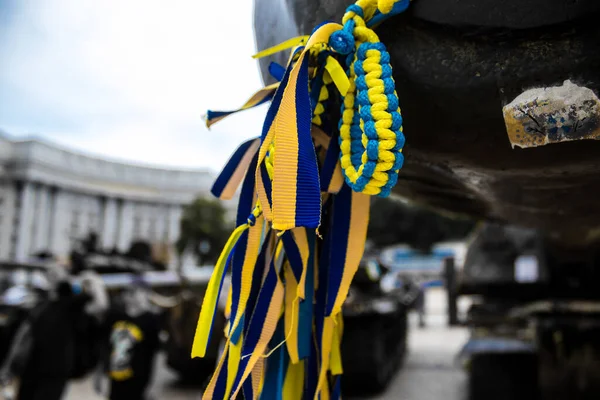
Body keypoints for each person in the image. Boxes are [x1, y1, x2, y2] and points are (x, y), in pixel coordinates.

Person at [0, 280, 92, 400]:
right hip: (56, 369)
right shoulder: (71, 312)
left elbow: (21, 341)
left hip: (35, 366)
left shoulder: (41, 310)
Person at [96, 280, 160, 400]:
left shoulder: (151, 321)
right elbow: (105, 348)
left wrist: (153, 384)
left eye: (136, 292)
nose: (131, 296)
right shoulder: (115, 317)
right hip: (116, 378)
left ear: (146, 295)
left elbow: (154, 355)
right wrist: (101, 376)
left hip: (138, 380)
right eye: (128, 292)